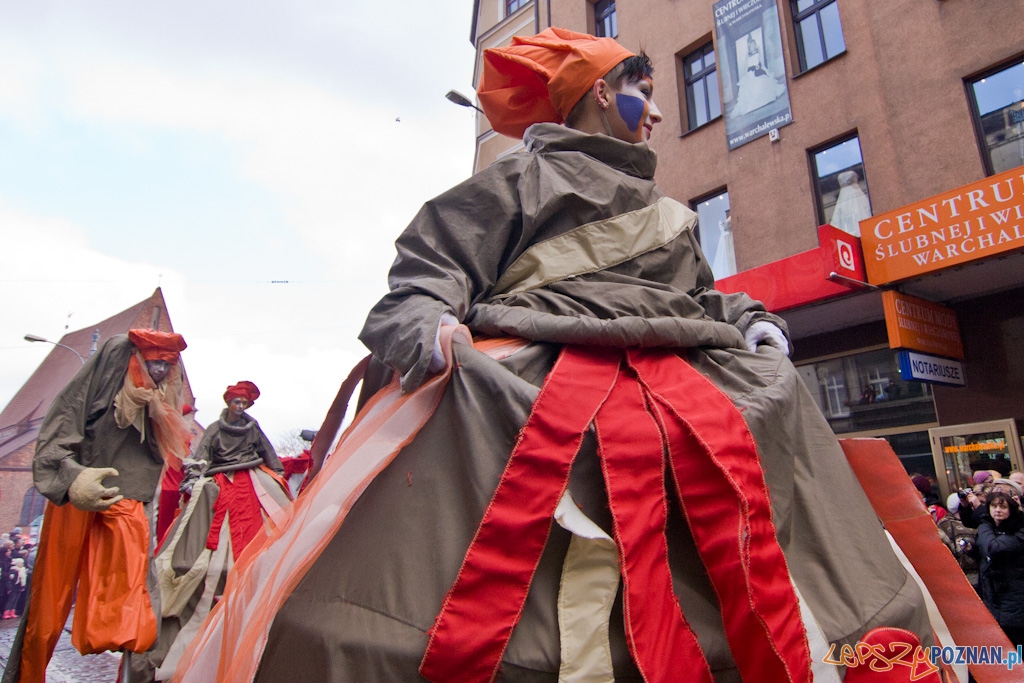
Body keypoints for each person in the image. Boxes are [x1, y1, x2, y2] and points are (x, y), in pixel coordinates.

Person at [174, 28, 931, 683]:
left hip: (683, 374)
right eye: (643, 91)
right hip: (534, 378)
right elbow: (427, 274)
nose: (657, 112)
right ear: (602, 93)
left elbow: (703, 301)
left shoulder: (670, 215)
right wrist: (430, 328)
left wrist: (752, 321)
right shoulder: (518, 178)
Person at [2, 329, 191, 683]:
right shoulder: (111, 366)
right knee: (48, 606)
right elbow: (60, 430)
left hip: (128, 498)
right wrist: (72, 476)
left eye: (167, 365)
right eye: (154, 363)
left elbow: (173, 447)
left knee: (138, 605)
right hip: (80, 492)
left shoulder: (159, 401)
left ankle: (134, 675)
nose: (160, 372)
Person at [151, 381, 291, 680]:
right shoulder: (215, 428)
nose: (239, 407)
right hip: (217, 481)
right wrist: (195, 476)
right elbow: (202, 454)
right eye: (236, 402)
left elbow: (268, 454)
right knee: (206, 502)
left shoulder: (252, 428)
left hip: (251, 477)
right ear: (228, 403)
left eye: (244, 403)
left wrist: (277, 477)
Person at [974, 491, 1024, 646]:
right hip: (993, 597)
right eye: (994, 506)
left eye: (1003, 507)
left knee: (1016, 644)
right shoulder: (993, 530)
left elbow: (994, 548)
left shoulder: (1019, 530)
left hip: (1013, 599)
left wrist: (984, 527)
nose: (997, 510)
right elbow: (985, 556)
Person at [731, 32, 786, 117]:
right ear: (749, 47)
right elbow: (746, 67)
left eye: (754, 45)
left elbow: (761, 62)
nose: (752, 47)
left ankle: (765, 99)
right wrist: (747, 75)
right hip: (750, 73)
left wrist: (761, 68)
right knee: (750, 86)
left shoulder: (757, 53)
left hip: (758, 70)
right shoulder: (747, 56)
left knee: (762, 82)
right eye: (751, 46)